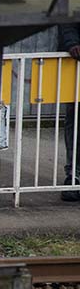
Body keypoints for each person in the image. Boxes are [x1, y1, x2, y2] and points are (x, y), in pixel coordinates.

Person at [60, 23, 80, 202]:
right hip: (76, 65)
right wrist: (72, 43)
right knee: (75, 123)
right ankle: (74, 176)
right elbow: (68, 21)